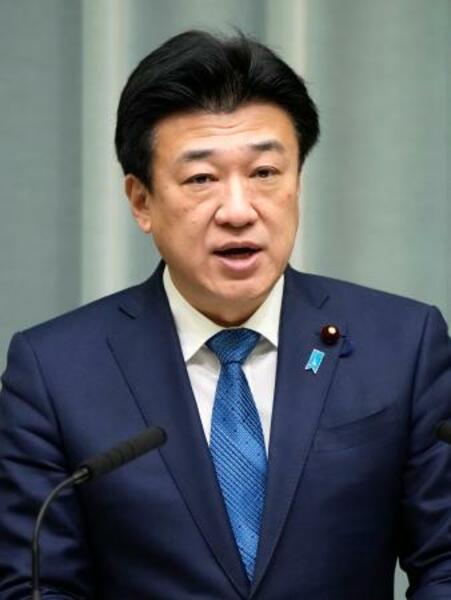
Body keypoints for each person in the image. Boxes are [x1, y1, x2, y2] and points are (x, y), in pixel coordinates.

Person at [1, 29, 451, 600]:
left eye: (265, 173)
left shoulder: (404, 345)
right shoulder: (54, 372)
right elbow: (38, 586)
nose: (238, 211)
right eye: (201, 179)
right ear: (141, 201)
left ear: (297, 181)